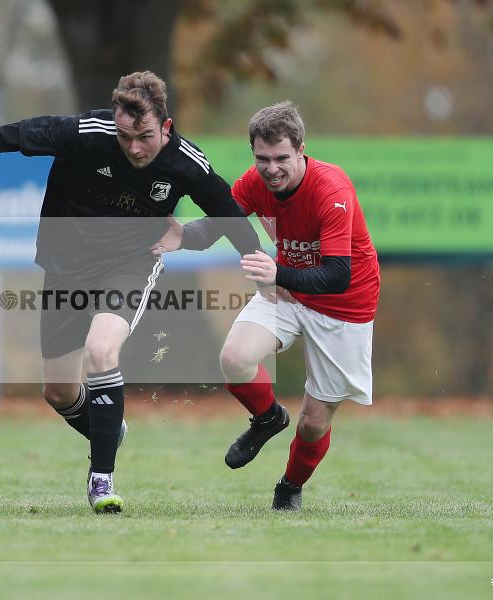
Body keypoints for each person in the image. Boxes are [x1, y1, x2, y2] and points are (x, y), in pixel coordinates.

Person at [0, 71, 262, 514]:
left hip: (130, 265)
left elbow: (232, 218)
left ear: (166, 126)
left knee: (101, 350)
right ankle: (109, 428)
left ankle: (101, 479)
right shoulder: (85, 133)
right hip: (65, 268)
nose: (135, 148)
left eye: (145, 136)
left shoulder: (187, 164)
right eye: (125, 137)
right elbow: (1, 138)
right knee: (60, 393)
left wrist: (241, 260)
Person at [154, 100, 379, 511]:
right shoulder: (256, 183)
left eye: (281, 159)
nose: (271, 169)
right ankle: (268, 418)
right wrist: (182, 237)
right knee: (235, 357)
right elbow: (221, 223)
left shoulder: (332, 191)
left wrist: (278, 273)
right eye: (262, 159)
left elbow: (336, 276)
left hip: (343, 305)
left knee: (313, 423)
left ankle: (289, 487)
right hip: (288, 290)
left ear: (301, 150)